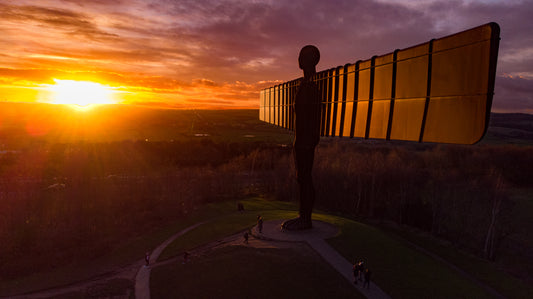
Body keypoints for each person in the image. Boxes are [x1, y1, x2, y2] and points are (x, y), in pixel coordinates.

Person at [281, 45, 321, 231]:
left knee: (305, 178)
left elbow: (313, 116)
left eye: (301, 56)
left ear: (308, 60)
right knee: (301, 178)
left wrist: (310, 140)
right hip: (301, 140)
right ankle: (303, 216)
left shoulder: (312, 85)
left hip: (306, 141)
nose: (298, 59)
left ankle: (306, 219)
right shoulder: (304, 84)